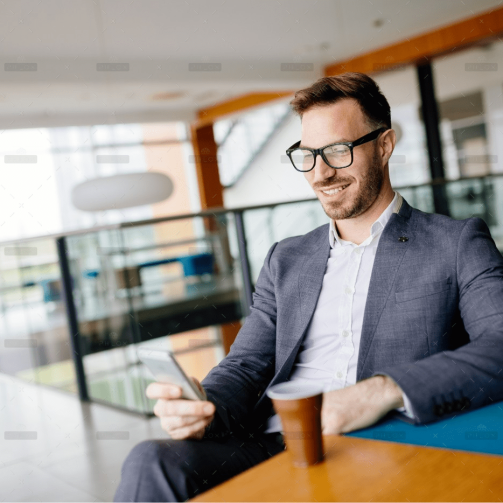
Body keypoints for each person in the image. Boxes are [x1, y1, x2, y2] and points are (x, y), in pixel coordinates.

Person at [114, 72, 503, 502]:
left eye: (338, 150)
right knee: (150, 460)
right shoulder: (287, 258)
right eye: (308, 154)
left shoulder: (454, 241)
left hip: (379, 443)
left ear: (384, 145)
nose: (321, 172)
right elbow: (246, 365)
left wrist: (380, 391)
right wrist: (205, 405)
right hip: (275, 442)